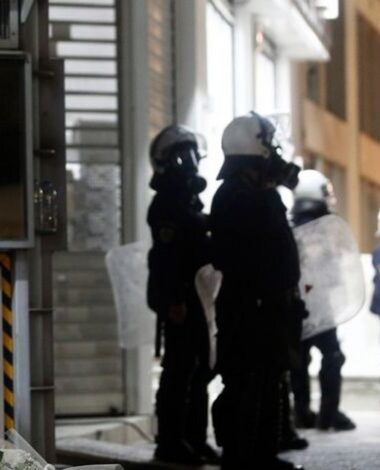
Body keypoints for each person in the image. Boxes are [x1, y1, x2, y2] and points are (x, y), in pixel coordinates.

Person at [209, 112, 305, 470]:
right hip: (250, 309)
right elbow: (253, 253)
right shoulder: (239, 196)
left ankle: (262, 456)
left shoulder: (250, 192)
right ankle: (241, 459)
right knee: (247, 384)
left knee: (266, 382)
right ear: (255, 151)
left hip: (265, 307)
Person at [146, 124, 218, 465]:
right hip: (180, 298)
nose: (190, 162)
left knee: (199, 370)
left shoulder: (186, 200)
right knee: (179, 371)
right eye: (182, 155)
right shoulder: (166, 204)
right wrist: (174, 301)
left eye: (192, 154)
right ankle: (170, 442)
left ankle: (194, 438)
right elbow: (168, 259)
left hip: (197, 295)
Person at [288, 169, 356, 431]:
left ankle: (302, 412)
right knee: (332, 356)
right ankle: (329, 413)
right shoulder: (322, 229)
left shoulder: (292, 226)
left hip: (297, 305)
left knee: (299, 360)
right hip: (319, 305)